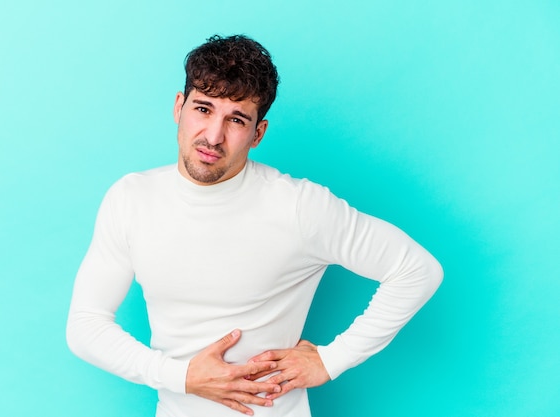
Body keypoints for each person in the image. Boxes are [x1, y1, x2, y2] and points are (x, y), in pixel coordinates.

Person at [66, 34, 443, 417]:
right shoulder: (132, 198)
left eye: (236, 119)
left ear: (258, 133)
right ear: (179, 107)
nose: (213, 136)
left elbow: (416, 270)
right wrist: (180, 377)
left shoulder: (298, 206)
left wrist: (331, 360)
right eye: (203, 109)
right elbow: (85, 326)